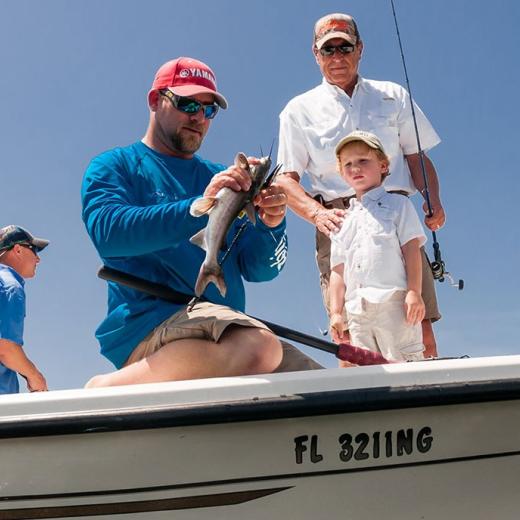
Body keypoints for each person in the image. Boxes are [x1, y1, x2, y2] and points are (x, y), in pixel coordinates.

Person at [82, 57, 320, 388]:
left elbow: (260, 270)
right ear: (155, 100)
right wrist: (197, 207)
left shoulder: (220, 178)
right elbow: (109, 234)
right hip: (152, 327)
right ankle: (108, 389)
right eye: (187, 103)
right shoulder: (114, 165)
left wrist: (272, 223)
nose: (199, 117)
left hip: (227, 333)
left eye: (209, 110)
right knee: (259, 346)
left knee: (323, 384)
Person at [277, 13, 445, 359]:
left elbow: (416, 157)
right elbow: (285, 178)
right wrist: (317, 214)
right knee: (350, 336)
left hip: (396, 214)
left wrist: (433, 199)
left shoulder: (393, 95)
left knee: (419, 324)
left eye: (345, 47)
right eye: (328, 51)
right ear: (315, 54)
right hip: (337, 221)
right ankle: (365, 408)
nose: (337, 57)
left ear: (360, 49)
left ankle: (427, 407)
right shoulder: (298, 110)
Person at [329, 131, 426, 362]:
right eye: (348, 164)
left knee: (405, 369)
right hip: (357, 312)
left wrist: (414, 292)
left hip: (394, 305)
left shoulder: (399, 205)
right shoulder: (342, 220)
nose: (355, 168)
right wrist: (336, 312)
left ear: (383, 165)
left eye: (363, 160)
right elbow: (337, 270)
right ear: (342, 173)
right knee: (369, 375)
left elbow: (412, 251)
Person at [0, 225, 49, 393]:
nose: (38, 259)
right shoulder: (10, 285)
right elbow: (6, 349)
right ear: (18, 250)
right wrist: (36, 377)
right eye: (34, 250)